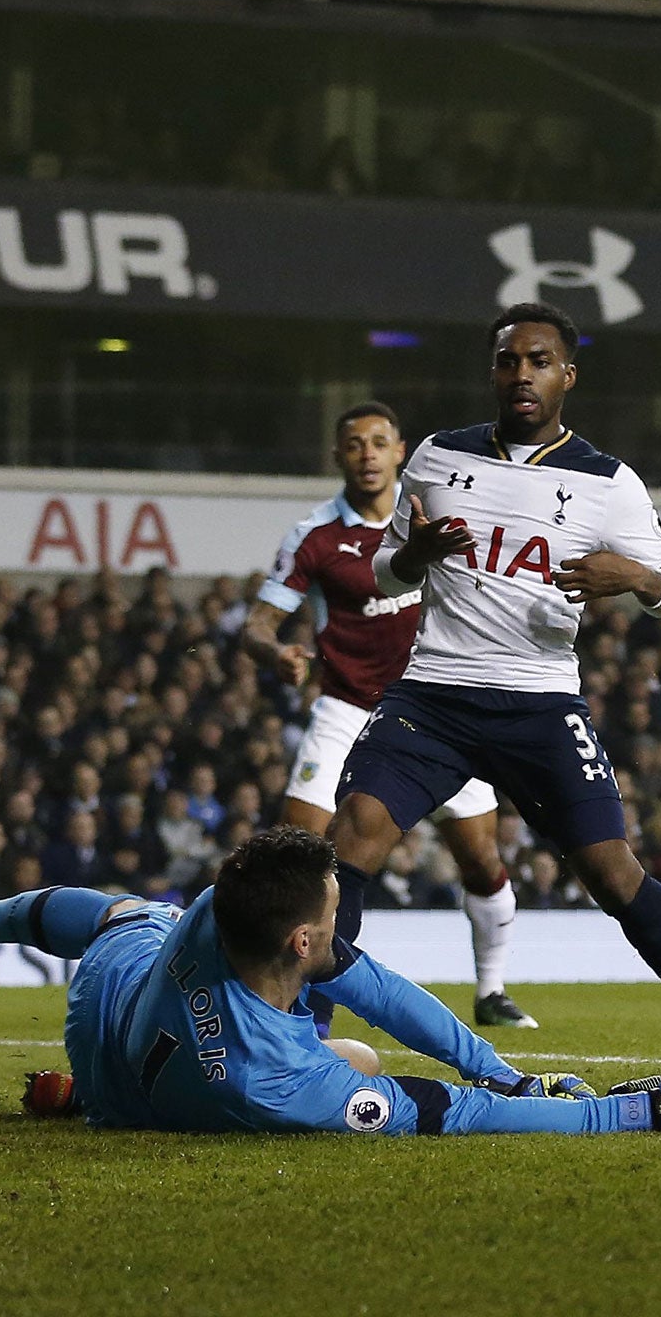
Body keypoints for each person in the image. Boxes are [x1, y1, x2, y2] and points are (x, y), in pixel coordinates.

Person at [331, 301, 661, 1059]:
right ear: (493, 372)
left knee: (613, 873)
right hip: (434, 695)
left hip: (540, 701)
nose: (522, 374)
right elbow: (386, 570)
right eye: (509, 361)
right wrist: (416, 554)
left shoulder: (608, 483)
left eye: (539, 361)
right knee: (349, 841)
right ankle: (303, 1033)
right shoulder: (435, 456)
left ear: (568, 376)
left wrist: (635, 576)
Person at [0, 825, 661, 1135]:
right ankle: (88, 1105)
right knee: (357, 1057)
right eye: (332, 920)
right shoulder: (287, 1086)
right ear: (300, 940)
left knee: (124, 918)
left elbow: (75, 913)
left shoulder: (220, 907)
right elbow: (451, 1112)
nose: (342, 930)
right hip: (157, 1092)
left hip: (107, 1012)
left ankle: (82, 1092)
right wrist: (630, 1110)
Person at [244, 402, 534, 1032]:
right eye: (354, 444)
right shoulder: (315, 535)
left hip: (436, 710)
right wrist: (276, 652)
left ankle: (492, 989)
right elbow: (258, 625)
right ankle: (286, 1001)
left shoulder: (438, 515)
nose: (368, 454)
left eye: (379, 442)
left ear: (401, 450)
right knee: (300, 858)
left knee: (482, 859)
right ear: (340, 456)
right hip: (346, 709)